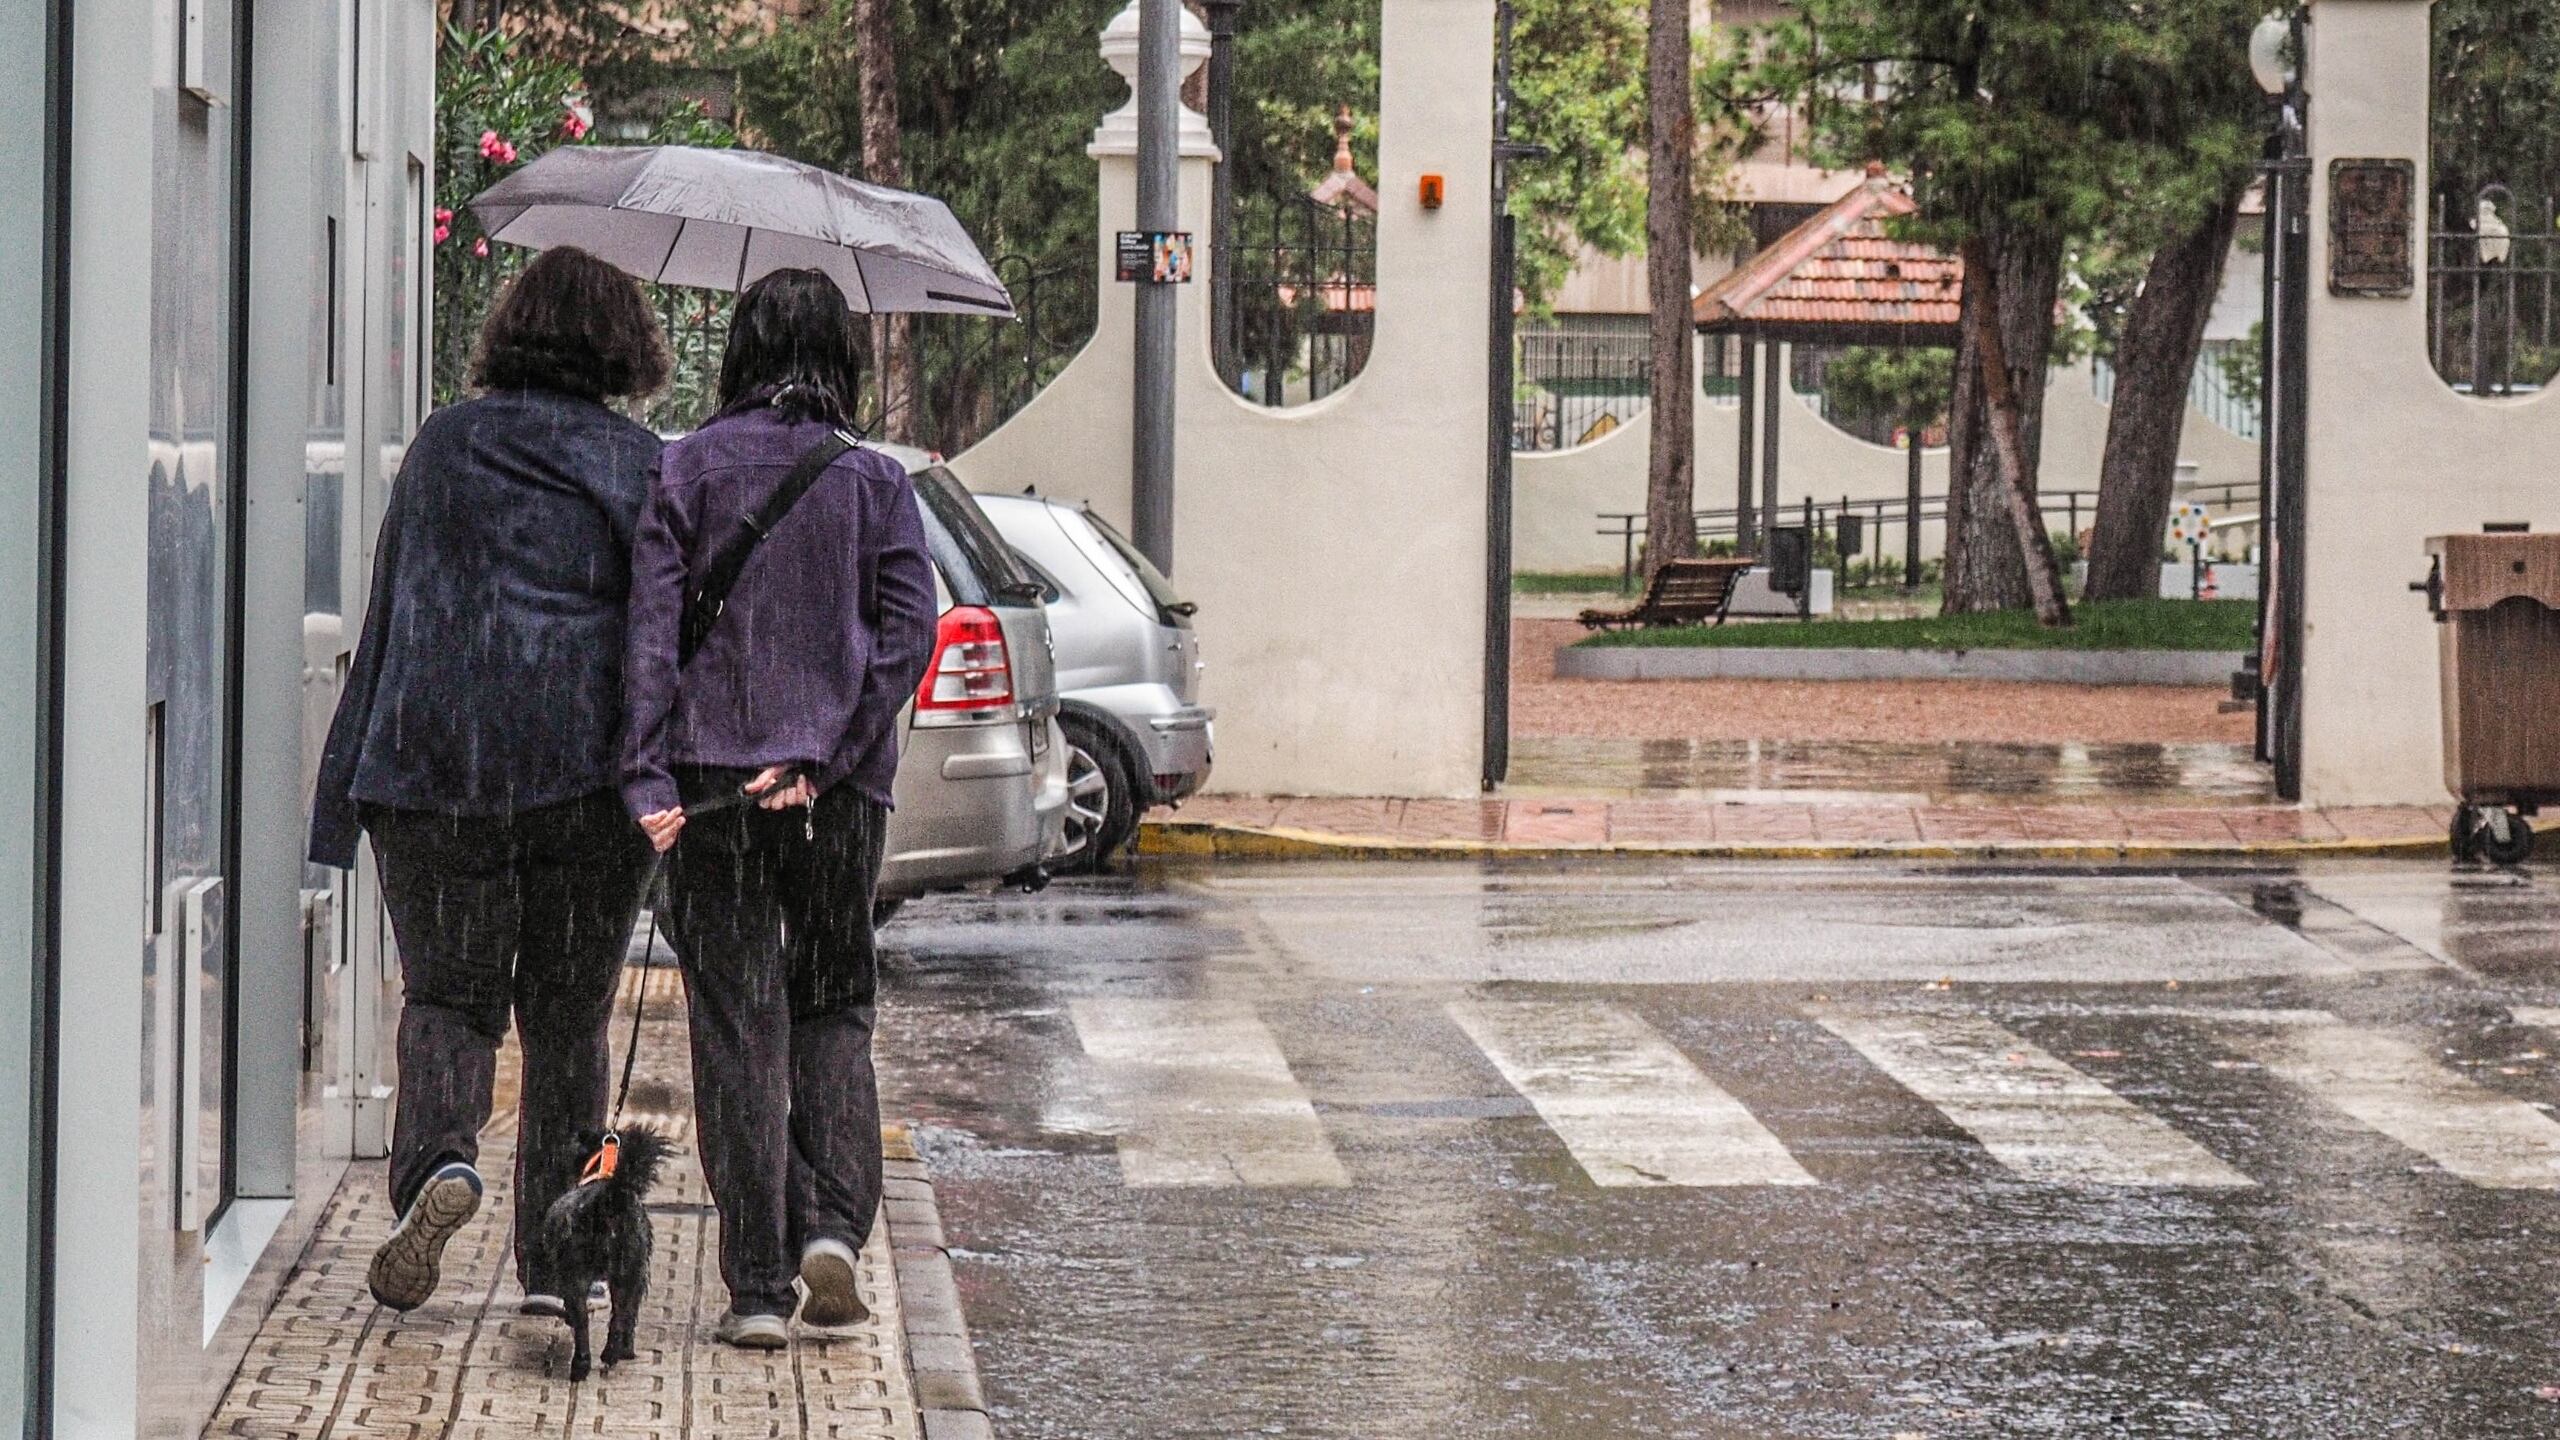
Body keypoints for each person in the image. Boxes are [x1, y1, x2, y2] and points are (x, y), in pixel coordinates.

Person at [308, 246, 668, 1316]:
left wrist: (349, 782)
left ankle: (439, 1170)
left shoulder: (444, 446)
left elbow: (392, 614)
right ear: (625, 345)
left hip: (435, 769)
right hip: (584, 781)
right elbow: (660, 638)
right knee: (567, 1024)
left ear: (510, 329)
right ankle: (556, 1265)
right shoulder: (639, 464)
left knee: (450, 1002)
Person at [621, 267, 937, 1348]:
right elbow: (906, 639)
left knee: (736, 1024)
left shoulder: (684, 470)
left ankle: (755, 1284)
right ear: (839, 360)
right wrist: (831, 754)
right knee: (834, 1002)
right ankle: (835, 1230)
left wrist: (648, 780)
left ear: (741, 353)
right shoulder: (877, 483)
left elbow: (650, 641)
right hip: (836, 798)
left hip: (712, 792)